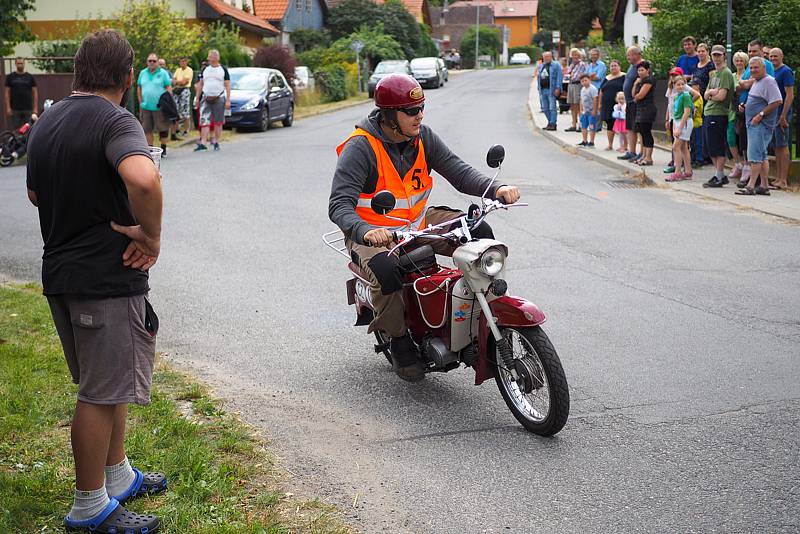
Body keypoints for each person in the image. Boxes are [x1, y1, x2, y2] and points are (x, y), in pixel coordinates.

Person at [25, 29, 165, 533]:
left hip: (61, 273)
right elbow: (144, 178)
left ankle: (118, 473)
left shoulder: (49, 119)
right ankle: (89, 506)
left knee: (111, 380)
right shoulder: (115, 119)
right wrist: (149, 236)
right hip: (104, 278)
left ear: (78, 70)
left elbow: (36, 194)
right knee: (99, 393)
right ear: (128, 77)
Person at [328, 74, 521, 382]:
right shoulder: (361, 148)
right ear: (390, 116)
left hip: (417, 223)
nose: (419, 115)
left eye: (421, 107)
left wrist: (496, 188)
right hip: (373, 234)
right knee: (386, 269)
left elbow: (458, 171)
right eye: (410, 110)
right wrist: (365, 231)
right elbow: (338, 205)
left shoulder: (423, 137)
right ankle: (400, 338)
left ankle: (481, 308)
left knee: (479, 232)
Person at [736, 56, 783, 196]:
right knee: (762, 156)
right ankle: (764, 186)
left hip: (760, 125)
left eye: (756, 67)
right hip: (754, 123)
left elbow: (777, 101)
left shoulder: (769, 81)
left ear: (763, 68)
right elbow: (758, 100)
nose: (753, 70)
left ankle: (750, 186)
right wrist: (745, 106)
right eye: (751, 68)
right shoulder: (757, 81)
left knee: (755, 156)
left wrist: (760, 115)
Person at [701, 45, 736, 188]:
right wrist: (711, 93)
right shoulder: (714, 73)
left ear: (724, 56)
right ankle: (718, 174)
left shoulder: (726, 73)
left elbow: (722, 96)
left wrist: (712, 94)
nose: (716, 58)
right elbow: (705, 93)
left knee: (717, 146)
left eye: (719, 55)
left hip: (719, 113)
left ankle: (719, 175)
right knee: (710, 147)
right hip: (709, 112)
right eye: (714, 55)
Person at [194, 49, 230, 152]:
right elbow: (201, 84)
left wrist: (228, 100)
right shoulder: (205, 69)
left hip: (219, 97)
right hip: (206, 97)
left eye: (210, 56)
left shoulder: (223, 69)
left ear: (216, 58)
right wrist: (197, 98)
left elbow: (227, 84)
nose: (208, 58)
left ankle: (216, 141)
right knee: (204, 120)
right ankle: (203, 143)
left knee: (218, 122)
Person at [136, 52, 172, 155]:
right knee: (147, 128)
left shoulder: (163, 73)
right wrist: (140, 101)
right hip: (146, 106)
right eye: (149, 61)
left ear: (157, 62)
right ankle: (150, 150)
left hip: (160, 106)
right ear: (147, 62)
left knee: (163, 128)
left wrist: (168, 102)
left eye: (154, 61)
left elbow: (168, 87)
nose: (152, 63)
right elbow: (139, 87)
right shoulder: (143, 73)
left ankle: (163, 148)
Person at [768, 47, 794, 190]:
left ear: (782, 56)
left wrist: (783, 115)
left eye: (775, 56)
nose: (772, 59)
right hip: (773, 113)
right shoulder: (772, 71)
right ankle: (778, 177)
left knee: (783, 146)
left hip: (782, 113)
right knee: (777, 146)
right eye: (771, 56)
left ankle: (783, 179)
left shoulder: (786, 71)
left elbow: (789, 95)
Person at [667, 76, 694, 181]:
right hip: (679, 122)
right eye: (678, 84)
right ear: (674, 85)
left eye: (683, 84)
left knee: (676, 147)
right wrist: (675, 127)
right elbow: (675, 114)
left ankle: (677, 172)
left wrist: (679, 128)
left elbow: (687, 112)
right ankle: (688, 171)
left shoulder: (686, 96)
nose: (681, 86)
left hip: (685, 123)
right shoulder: (677, 96)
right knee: (683, 148)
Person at [618, 46, 643, 161]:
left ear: (637, 54)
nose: (628, 57)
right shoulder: (631, 66)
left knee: (638, 128)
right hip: (629, 101)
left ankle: (642, 153)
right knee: (630, 127)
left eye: (630, 54)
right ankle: (631, 151)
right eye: (628, 55)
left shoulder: (642, 66)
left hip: (636, 101)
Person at [729, 51, 749, 180]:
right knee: (730, 137)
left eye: (741, 60)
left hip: (743, 109)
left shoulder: (748, 74)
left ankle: (746, 164)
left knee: (743, 139)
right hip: (731, 109)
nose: (739, 63)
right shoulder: (731, 75)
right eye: (737, 60)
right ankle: (737, 163)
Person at [631, 60, 656, 165]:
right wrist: (635, 83)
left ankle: (649, 157)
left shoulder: (649, 80)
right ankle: (644, 156)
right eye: (639, 70)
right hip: (640, 108)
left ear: (647, 70)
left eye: (642, 70)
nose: (640, 72)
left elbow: (641, 95)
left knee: (646, 132)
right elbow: (633, 95)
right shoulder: (640, 81)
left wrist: (637, 97)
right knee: (642, 132)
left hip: (647, 109)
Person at [4, 57, 38, 129]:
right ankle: (16, 140)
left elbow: (35, 93)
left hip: (28, 108)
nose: (20, 65)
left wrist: (35, 108)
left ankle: (27, 140)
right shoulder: (10, 77)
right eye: (18, 63)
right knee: (16, 129)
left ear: (24, 64)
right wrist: (8, 107)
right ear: (15, 64)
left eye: (22, 63)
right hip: (15, 109)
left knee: (28, 128)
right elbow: (7, 93)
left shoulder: (30, 77)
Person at [599, 60, 626, 150]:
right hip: (607, 105)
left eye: (615, 65)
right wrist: (600, 103)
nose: (613, 67)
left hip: (620, 105)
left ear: (619, 67)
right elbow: (601, 91)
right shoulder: (607, 78)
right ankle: (610, 144)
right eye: (611, 66)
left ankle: (624, 146)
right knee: (609, 123)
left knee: (622, 125)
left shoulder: (624, 77)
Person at [663, 67, 685, 173]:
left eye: (675, 75)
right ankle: (674, 161)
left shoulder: (682, 88)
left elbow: (694, 96)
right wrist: (667, 118)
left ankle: (679, 164)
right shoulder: (670, 88)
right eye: (672, 75)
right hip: (672, 117)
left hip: (679, 118)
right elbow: (669, 104)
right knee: (673, 140)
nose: (673, 77)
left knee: (679, 143)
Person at [536, 51, 563, 131]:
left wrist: (558, 88)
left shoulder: (556, 65)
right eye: (545, 57)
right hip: (543, 90)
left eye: (548, 57)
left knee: (552, 107)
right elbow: (539, 77)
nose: (546, 58)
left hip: (551, 89)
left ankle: (553, 123)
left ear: (551, 57)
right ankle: (549, 122)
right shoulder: (542, 66)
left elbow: (559, 76)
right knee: (545, 108)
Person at [565, 48, 587, 132]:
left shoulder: (582, 64)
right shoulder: (571, 65)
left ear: (579, 56)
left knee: (578, 105)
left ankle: (581, 125)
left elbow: (577, 77)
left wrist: (571, 75)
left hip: (578, 85)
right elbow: (567, 75)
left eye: (576, 55)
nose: (574, 57)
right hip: (571, 85)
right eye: (573, 55)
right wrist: (570, 75)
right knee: (572, 105)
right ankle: (573, 124)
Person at [171, 56, 193, 138]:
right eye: (181, 61)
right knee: (176, 110)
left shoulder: (189, 70)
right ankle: (177, 129)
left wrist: (177, 82)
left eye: (184, 61)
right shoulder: (178, 70)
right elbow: (173, 81)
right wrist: (177, 82)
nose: (182, 63)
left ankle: (186, 130)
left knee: (185, 111)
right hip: (176, 90)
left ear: (186, 62)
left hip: (185, 90)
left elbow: (184, 82)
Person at [586, 48, 606, 135]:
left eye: (595, 54)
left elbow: (598, 77)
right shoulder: (590, 65)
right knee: (591, 107)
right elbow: (586, 77)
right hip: (590, 88)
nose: (593, 56)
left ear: (598, 55)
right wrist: (591, 77)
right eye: (592, 54)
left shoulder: (601, 65)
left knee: (597, 107)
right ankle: (591, 125)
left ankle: (597, 127)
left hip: (598, 88)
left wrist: (590, 77)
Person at [577, 74, 599, 147]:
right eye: (582, 81)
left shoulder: (593, 89)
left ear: (590, 80)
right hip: (584, 111)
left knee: (591, 126)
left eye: (586, 80)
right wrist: (580, 110)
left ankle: (592, 142)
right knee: (583, 126)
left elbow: (595, 99)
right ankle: (584, 140)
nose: (584, 82)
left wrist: (595, 110)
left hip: (591, 111)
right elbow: (581, 100)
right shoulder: (582, 89)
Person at [688, 80, 705, 165]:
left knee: (697, 142)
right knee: (693, 142)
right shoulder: (692, 97)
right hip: (693, 123)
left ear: (698, 86)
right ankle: (693, 158)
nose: (691, 87)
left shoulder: (698, 97)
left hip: (697, 123)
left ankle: (699, 159)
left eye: (693, 85)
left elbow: (694, 110)